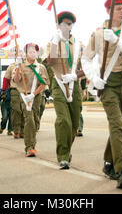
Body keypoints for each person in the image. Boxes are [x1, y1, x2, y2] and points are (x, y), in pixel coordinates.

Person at [81, 0, 122, 189]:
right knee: (116, 124)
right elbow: (86, 58)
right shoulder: (98, 33)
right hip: (109, 82)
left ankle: (108, 163)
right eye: (119, 9)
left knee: (121, 126)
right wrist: (94, 78)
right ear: (109, 11)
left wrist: (117, 40)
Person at [45, 11, 84, 169]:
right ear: (58, 25)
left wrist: (75, 75)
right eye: (63, 23)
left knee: (74, 124)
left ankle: (66, 150)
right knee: (64, 121)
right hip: (59, 84)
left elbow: (87, 67)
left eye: (69, 24)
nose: (67, 26)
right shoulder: (53, 42)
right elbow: (51, 61)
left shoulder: (79, 44)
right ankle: (62, 156)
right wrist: (56, 43)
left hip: (74, 85)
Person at [12, 43, 49, 157]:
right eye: (30, 51)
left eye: (35, 51)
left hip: (36, 97)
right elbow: (16, 80)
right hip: (24, 96)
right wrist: (18, 67)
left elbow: (44, 83)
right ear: (26, 53)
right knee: (29, 120)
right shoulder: (20, 65)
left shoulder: (41, 67)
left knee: (35, 120)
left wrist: (33, 94)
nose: (33, 53)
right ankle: (30, 147)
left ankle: (32, 144)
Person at [4, 61, 25, 139]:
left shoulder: (28, 65)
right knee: (16, 110)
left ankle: (23, 130)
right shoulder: (11, 66)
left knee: (24, 110)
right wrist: (4, 90)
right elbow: (6, 79)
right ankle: (16, 130)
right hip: (15, 89)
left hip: (25, 90)